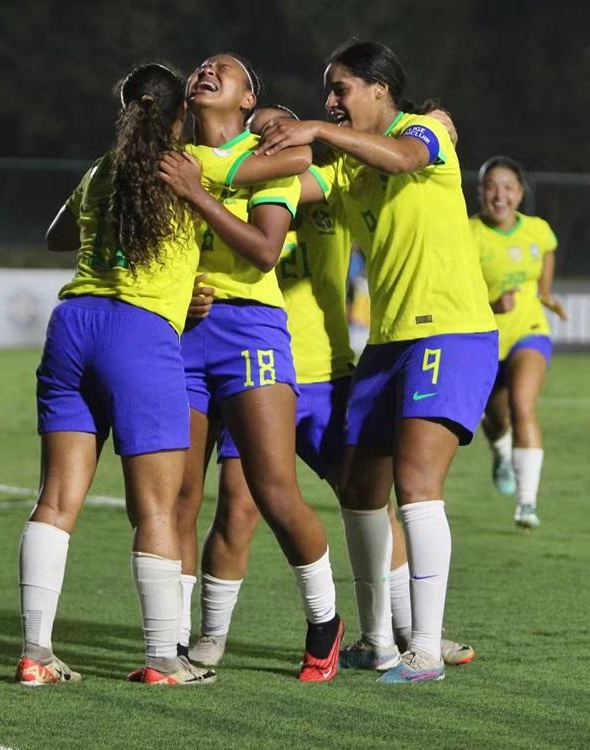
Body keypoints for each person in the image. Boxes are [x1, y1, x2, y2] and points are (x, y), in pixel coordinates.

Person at [185, 106, 475, 673]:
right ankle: (210, 639)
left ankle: (411, 632)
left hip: (326, 378)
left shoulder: (331, 195)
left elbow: (375, 168)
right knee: (238, 510)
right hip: (254, 374)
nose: (267, 136)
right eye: (258, 129)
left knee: (369, 501)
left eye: (278, 126)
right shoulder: (233, 202)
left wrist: (435, 120)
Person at [257, 40, 498, 684]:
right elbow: (285, 187)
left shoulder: (421, 130)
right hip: (386, 345)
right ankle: (376, 642)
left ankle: (423, 647)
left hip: (450, 333)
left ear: (380, 89)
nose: (330, 101)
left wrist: (309, 127)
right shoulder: (343, 169)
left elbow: (406, 157)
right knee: (362, 492)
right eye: (326, 92)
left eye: (340, 89)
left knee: (417, 485)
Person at [15, 62, 219, 687]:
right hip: (139, 332)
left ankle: (34, 654)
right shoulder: (190, 169)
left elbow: (58, 236)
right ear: (179, 113)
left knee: (55, 498)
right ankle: (162, 659)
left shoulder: (102, 171)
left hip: (73, 324)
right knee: (156, 508)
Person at [157, 58, 342, 682]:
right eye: (202, 66)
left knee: (269, 489)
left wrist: (198, 194)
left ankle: (324, 620)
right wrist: (177, 292)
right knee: (177, 495)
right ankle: (177, 641)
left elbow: (265, 249)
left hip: (251, 332)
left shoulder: (270, 155)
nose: (206, 69)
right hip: (184, 333)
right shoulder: (176, 159)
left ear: (247, 99)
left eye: (224, 69)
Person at [470, 156, 567, 528]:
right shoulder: (468, 233)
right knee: (497, 419)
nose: (500, 195)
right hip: (485, 337)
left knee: (523, 405)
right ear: (481, 192)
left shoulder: (537, 230)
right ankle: (500, 451)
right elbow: (457, 288)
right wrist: (492, 303)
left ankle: (526, 504)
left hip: (530, 330)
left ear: (520, 193)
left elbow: (546, 253)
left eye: (508, 187)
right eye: (492, 186)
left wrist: (545, 293)